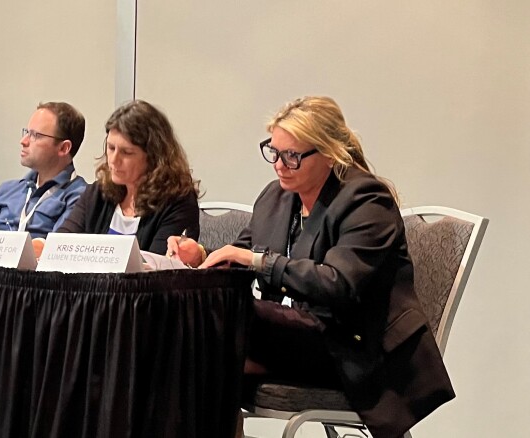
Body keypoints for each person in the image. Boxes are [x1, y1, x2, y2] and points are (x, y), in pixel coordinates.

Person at [167, 96, 454, 438]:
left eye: (292, 156)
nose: (279, 165)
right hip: (292, 337)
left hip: (352, 347)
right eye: (273, 152)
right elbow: (242, 254)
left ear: (329, 153)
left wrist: (257, 261)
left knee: (217, 332)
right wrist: (200, 255)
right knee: (199, 347)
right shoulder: (275, 198)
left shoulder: (365, 201)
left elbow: (338, 284)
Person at [56, 100, 200, 255]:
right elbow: (60, 247)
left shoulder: (178, 202)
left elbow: (158, 270)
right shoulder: (97, 193)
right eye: (111, 148)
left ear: (154, 156)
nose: (113, 160)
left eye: (127, 152)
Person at [0, 102, 88, 238]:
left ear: (63, 148)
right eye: (27, 132)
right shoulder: (7, 190)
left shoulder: (80, 197)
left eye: (36, 135)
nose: (23, 141)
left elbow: (53, 251)